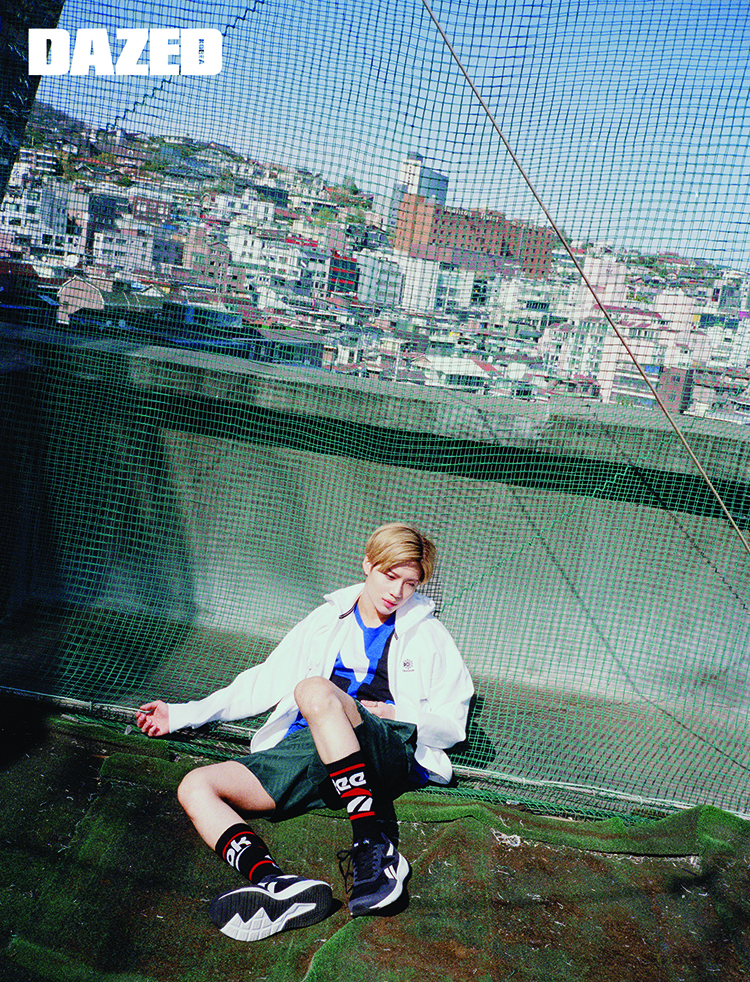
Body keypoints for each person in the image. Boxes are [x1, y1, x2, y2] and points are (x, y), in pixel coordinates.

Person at [136, 522, 474, 942]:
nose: (398, 592)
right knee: (196, 786)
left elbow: (452, 726)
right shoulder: (327, 619)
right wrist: (183, 714)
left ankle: (373, 845)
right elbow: (265, 679)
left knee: (314, 690)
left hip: (384, 748)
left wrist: (396, 711)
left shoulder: (428, 634)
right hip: (311, 750)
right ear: (367, 564)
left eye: (410, 583)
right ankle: (275, 884)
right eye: (390, 576)